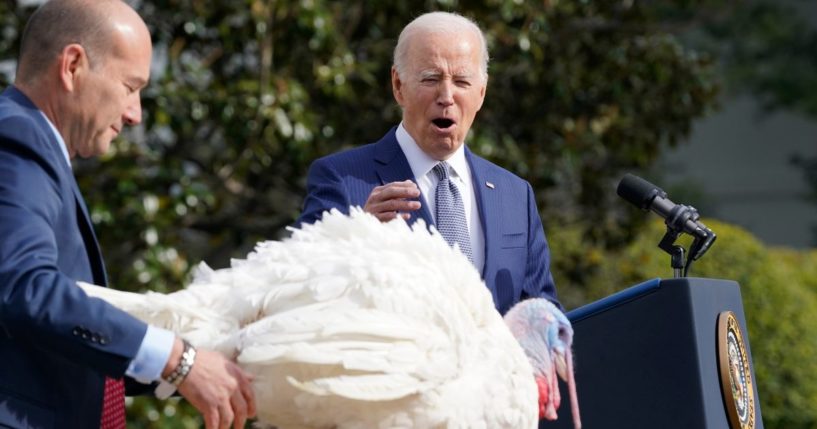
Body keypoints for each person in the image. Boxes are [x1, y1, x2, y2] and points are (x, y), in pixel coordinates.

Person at [0, 1, 255, 428]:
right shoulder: (17, 138)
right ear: (73, 65)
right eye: (129, 86)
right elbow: (25, 286)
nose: (135, 114)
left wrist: (212, 357)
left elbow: (58, 339)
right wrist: (179, 360)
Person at [298, 11, 559, 315]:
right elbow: (299, 293)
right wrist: (355, 237)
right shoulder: (342, 179)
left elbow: (543, 313)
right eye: (431, 79)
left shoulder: (515, 195)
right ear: (399, 86)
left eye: (462, 81)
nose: (446, 96)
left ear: (481, 93)